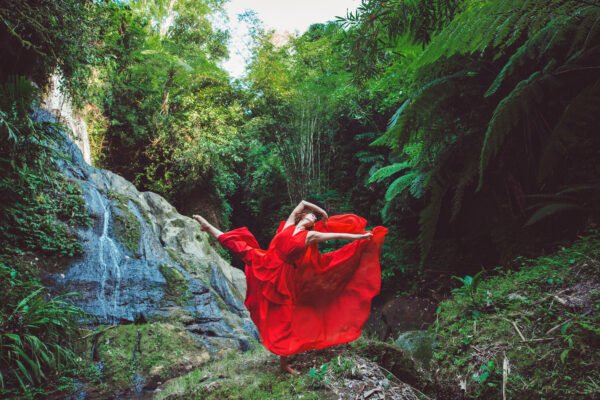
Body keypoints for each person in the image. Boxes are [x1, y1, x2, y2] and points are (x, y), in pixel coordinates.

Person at [193, 200, 388, 374]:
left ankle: (283, 360)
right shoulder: (288, 224)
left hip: (282, 276)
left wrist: (359, 238)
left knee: (285, 316)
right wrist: (322, 212)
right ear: (303, 216)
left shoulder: (309, 235)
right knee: (237, 244)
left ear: (312, 223)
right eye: (310, 214)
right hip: (267, 261)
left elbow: (337, 236)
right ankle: (208, 226)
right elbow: (303, 203)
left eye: (314, 217)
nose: (312, 216)